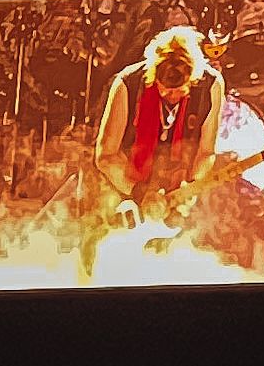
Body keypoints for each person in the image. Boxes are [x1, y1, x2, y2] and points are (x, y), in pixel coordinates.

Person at [90, 24, 228, 232]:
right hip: (125, 191)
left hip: (176, 196)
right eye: (165, 91)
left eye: (179, 92)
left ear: (193, 79)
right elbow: (106, 156)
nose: (172, 97)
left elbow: (206, 152)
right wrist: (141, 193)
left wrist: (191, 188)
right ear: (153, 77)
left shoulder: (212, 85)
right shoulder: (128, 83)